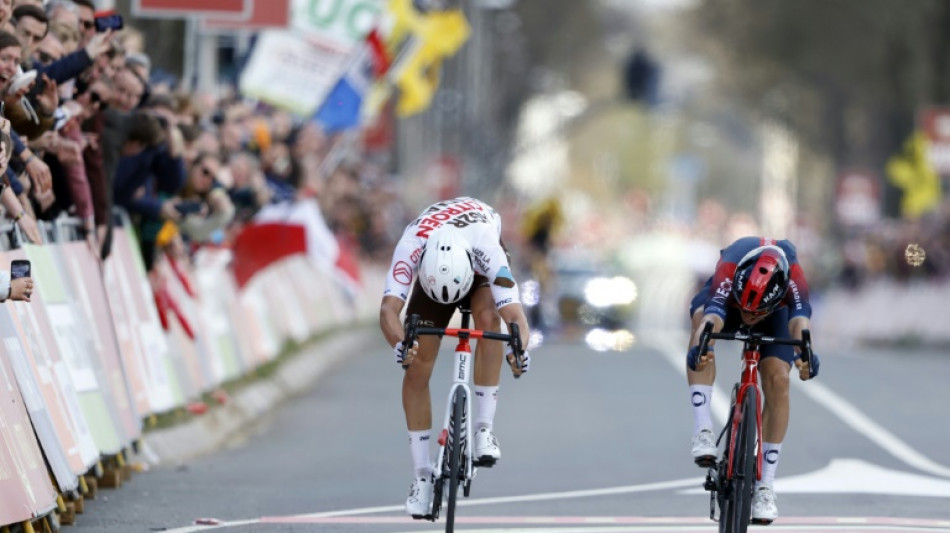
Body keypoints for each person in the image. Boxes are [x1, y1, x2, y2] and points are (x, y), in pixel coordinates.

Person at [379, 196, 532, 519]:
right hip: (434, 272)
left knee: (490, 319)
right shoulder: (411, 246)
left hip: (476, 271)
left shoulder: (487, 250)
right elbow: (388, 310)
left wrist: (519, 349)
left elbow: (515, 315)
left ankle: (483, 429)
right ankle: (421, 475)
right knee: (417, 361)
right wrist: (400, 345)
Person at [686, 236, 820, 524]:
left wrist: (804, 355)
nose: (749, 318)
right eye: (748, 312)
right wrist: (703, 346)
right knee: (701, 326)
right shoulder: (731, 265)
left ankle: (765, 485)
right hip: (728, 303)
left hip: (775, 311)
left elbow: (800, 325)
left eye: (754, 313)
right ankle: (703, 430)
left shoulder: (794, 279)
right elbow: (712, 317)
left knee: (779, 379)